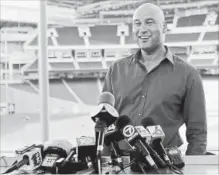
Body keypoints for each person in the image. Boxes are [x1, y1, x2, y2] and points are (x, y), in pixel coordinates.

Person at [102, 3, 207, 155]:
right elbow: (104, 123)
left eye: (149, 22)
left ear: (164, 27)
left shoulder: (188, 75)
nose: (142, 29)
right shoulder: (116, 70)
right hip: (119, 163)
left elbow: (198, 134)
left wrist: (193, 167)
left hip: (164, 164)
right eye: (137, 23)